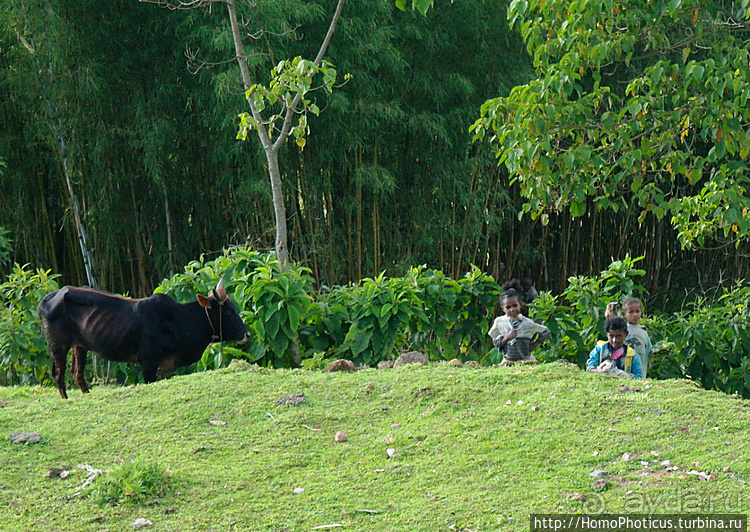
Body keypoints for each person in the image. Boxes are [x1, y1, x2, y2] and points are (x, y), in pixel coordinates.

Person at [488, 289, 551, 365]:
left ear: (520, 304)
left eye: (515, 305)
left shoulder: (527, 323)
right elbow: (497, 343)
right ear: (503, 309)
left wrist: (533, 345)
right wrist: (507, 337)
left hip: (527, 359)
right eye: (508, 307)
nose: (512, 309)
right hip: (508, 361)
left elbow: (545, 331)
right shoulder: (500, 322)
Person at [605, 297, 653, 377]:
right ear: (624, 314)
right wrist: (609, 313)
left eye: (637, 311)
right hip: (626, 366)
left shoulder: (643, 331)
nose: (635, 315)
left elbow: (649, 349)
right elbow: (614, 326)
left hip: (642, 366)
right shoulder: (624, 328)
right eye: (631, 312)